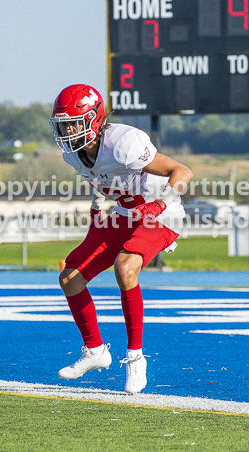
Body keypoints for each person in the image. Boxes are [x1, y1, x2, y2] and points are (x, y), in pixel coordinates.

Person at [51, 84, 192, 394]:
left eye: (74, 122)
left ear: (95, 120)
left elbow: (182, 172)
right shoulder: (75, 155)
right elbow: (102, 184)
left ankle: (135, 357)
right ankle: (95, 351)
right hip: (124, 213)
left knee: (125, 267)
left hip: (162, 214)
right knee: (70, 277)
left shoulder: (124, 143)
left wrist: (159, 204)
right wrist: (95, 218)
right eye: (64, 123)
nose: (68, 129)